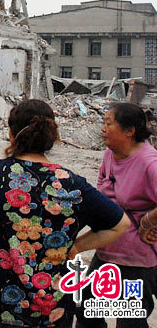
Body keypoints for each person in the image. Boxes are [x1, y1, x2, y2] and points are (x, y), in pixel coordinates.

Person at [0, 99, 129, 328]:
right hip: (52, 311)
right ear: (52, 137)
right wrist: (77, 247)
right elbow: (120, 224)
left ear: (11, 135)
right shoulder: (73, 184)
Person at [75, 103, 157, 328]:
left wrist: (149, 221)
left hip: (135, 259)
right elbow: (102, 185)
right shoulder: (111, 154)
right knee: (86, 310)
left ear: (129, 131)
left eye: (108, 123)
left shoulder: (149, 163)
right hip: (107, 251)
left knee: (130, 319)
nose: (102, 128)